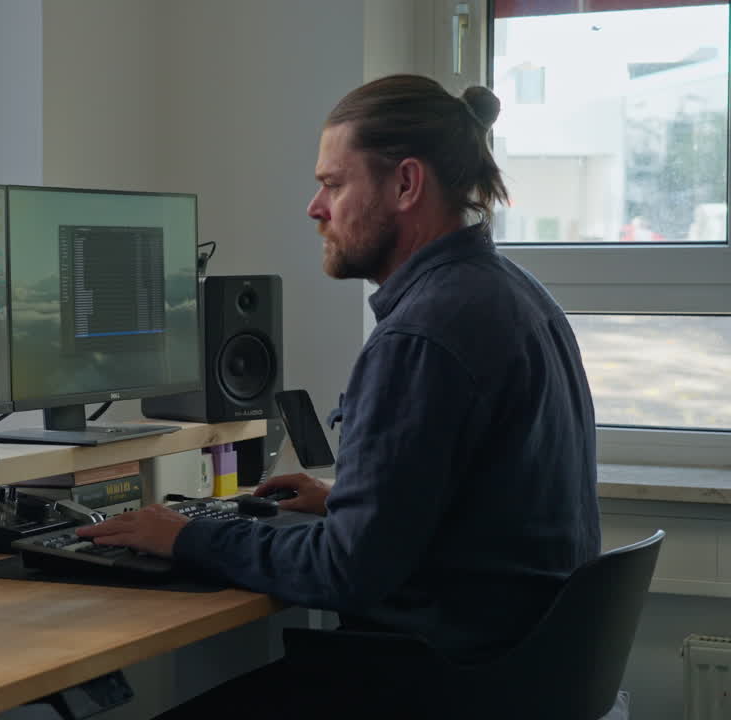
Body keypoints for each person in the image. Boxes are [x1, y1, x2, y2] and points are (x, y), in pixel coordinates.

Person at [77, 75, 601, 714]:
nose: (314, 207)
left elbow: (344, 572)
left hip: (442, 682)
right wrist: (346, 504)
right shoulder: (513, 293)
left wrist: (186, 536)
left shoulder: (423, 334)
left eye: (333, 184)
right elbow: (486, 503)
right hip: (516, 673)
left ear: (406, 185)